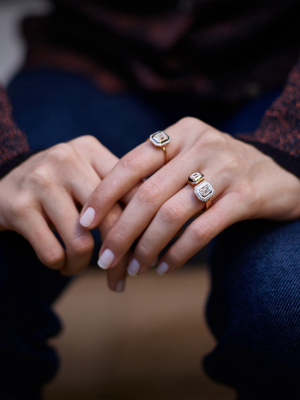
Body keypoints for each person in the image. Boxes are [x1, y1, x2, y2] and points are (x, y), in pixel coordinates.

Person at [0, 1, 300, 398]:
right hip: (88, 62)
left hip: (284, 74)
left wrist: (289, 143)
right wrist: (5, 156)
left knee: (284, 304)